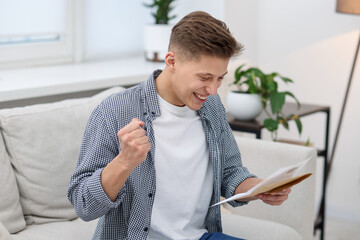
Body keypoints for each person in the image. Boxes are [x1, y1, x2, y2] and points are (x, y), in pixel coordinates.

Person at [68, 11, 291, 240]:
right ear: (171, 61)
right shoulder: (114, 111)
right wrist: (124, 161)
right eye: (204, 78)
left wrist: (262, 189)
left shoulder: (212, 106)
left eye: (220, 78)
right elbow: (83, 204)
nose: (213, 90)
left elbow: (230, 172)